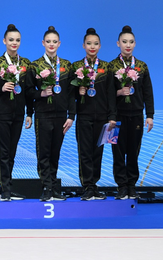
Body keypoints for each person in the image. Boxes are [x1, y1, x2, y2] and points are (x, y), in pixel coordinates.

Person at [0, 24, 34, 201]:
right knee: (3, 152)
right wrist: (1, 87)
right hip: (0, 115)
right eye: (11, 40)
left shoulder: (26, 64)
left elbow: (29, 90)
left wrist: (30, 112)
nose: (14, 43)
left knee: (12, 152)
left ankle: (8, 187)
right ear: (4, 41)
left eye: (18, 40)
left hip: (18, 115)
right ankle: (4, 189)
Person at [29, 26, 75, 201]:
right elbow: (28, 92)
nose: (51, 44)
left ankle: (54, 187)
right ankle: (46, 187)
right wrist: (41, 94)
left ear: (59, 44)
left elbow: (71, 94)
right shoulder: (35, 66)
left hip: (61, 116)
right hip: (43, 114)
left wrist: (71, 116)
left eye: (54, 42)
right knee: (44, 153)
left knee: (56, 152)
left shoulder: (66, 66)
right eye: (48, 41)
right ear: (43, 43)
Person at [109, 25, 154, 200]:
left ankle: (132, 186)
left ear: (135, 44)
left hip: (136, 115)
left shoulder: (142, 66)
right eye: (124, 41)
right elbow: (107, 95)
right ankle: (121, 186)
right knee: (118, 152)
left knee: (133, 152)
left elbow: (148, 92)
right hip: (117, 117)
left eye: (131, 42)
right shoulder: (112, 66)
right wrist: (118, 93)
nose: (128, 45)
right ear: (118, 43)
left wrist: (149, 115)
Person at [73, 28, 117, 201]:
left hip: (102, 117)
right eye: (89, 43)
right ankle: (87, 186)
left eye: (96, 44)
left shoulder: (107, 67)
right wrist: (80, 92)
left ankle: (95, 185)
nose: (92, 47)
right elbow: (70, 95)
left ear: (100, 46)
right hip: (83, 116)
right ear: (83, 45)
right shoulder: (76, 66)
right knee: (85, 152)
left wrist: (112, 116)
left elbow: (111, 94)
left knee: (98, 152)